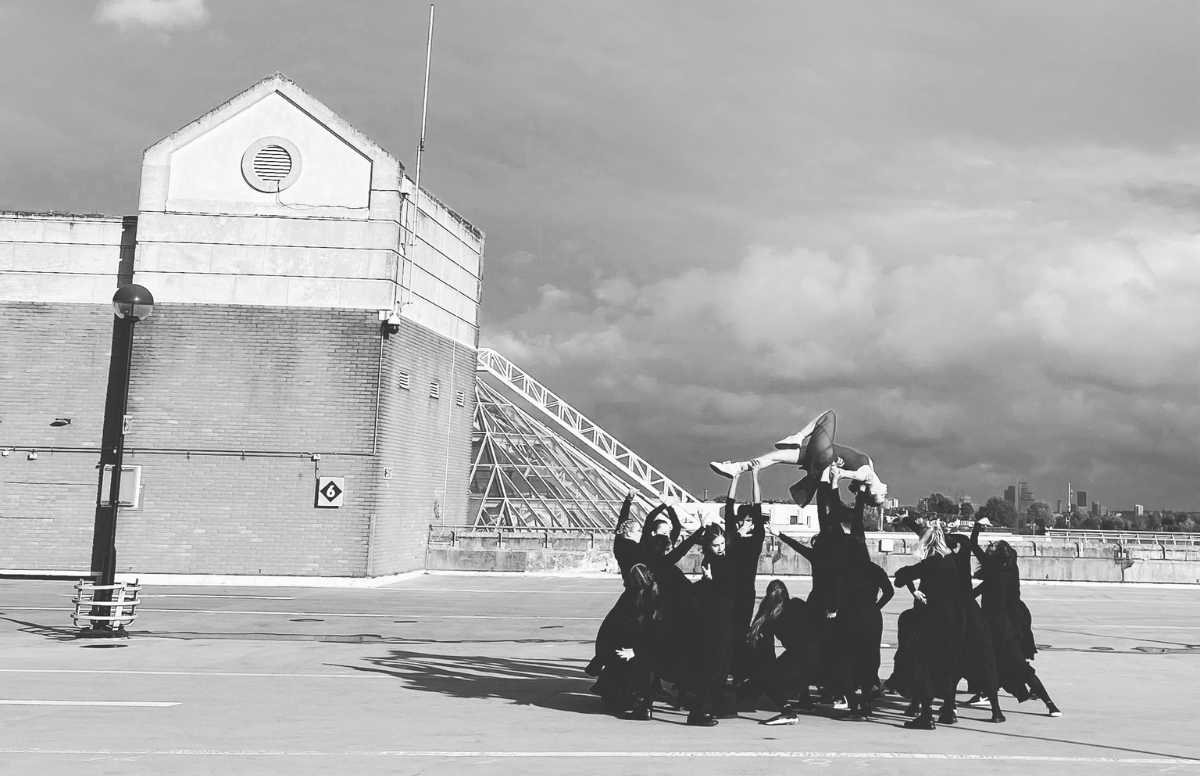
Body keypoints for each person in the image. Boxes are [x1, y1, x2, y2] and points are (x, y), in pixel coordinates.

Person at [970, 518, 1062, 717]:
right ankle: (1050, 703)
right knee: (1022, 667)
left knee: (984, 663)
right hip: (1006, 625)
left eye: (992, 547)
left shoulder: (993, 572)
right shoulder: (1007, 573)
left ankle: (989, 704)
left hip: (991, 625)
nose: (989, 547)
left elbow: (973, 545)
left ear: (994, 556)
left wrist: (978, 526)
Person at [709, 410, 888, 509]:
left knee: (829, 416)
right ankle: (736, 468)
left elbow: (844, 473)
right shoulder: (868, 470)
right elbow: (846, 472)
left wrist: (839, 471)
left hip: (824, 454)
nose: (886, 492)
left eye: (882, 495)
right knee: (775, 457)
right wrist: (838, 468)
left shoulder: (867, 477)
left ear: (872, 492)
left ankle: (798, 436)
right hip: (817, 455)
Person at [890, 522, 965, 730]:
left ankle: (926, 715)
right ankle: (948, 710)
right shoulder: (950, 560)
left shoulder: (930, 564)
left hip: (935, 619)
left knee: (921, 664)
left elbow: (900, 577)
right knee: (946, 664)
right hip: (955, 618)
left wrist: (913, 589)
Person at [739, 578, 823, 725]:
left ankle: (787, 711)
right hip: (816, 649)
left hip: (800, 653)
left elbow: (767, 649)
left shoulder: (772, 615)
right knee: (797, 670)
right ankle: (806, 703)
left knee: (768, 678)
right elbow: (816, 621)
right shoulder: (797, 604)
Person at [589, 563, 664, 720]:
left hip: (641, 647)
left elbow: (615, 626)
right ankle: (643, 702)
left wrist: (634, 651)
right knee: (642, 665)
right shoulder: (656, 597)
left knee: (634, 666)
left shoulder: (633, 599)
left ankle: (640, 703)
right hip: (646, 646)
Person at [832, 534, 893, 719]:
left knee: (843, 661)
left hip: (849, 615)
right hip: (872, 616)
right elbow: (889, 591)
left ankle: (853, 704)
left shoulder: (842, 569)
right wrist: (876, 607)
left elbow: (834, 594)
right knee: (869, 661)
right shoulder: (874, 568)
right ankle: (866, 703)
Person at [686, 523, 736, 726]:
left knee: (723, 662)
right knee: (714, 664)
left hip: (725, 616)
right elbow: (719, 590)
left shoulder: (722, 558)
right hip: (715, 619)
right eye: (716, 545)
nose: (721, 547)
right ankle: (697, 709)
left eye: (723, 543)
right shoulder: (712, 562)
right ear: (708, 546)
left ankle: (716, 703)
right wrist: (709, 580)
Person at [723, 466, 768, 687]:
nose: (745, 522)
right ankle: (724, 667)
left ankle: (738, 670)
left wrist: (755, 477)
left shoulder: (757, 536)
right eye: (743, 519)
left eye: (749, 520)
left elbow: (758, 507)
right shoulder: (732, 535)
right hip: (727, 589)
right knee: (724, 629)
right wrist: (735, 477)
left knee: (741, 630)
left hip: (745, 591)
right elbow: (729, 506)